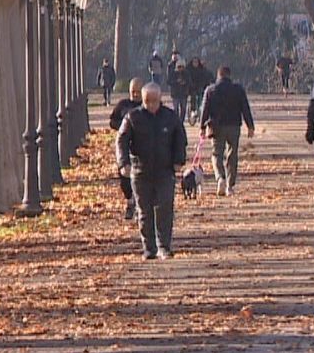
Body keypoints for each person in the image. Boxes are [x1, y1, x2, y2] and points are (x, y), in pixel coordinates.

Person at [117, 82, 187, 259]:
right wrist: (123, 163)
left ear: (160, 99)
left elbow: (180, 139)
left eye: (155, 101)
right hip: (141, 171)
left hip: (165, 171)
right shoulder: (133, 117)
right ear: (143, 99)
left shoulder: (170, 117)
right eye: (148, 101)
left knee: (164, 209)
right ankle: (149, 248)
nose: (151, 105)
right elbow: (121, 140)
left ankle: (164, 245)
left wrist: (179, 160)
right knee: (144, 210)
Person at [199, 65, 256, 196]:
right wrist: (250, 126)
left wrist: (202, 127)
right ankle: (230, 186)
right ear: (230, 76)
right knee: (232, 155)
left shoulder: (210, 90)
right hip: (234, 126)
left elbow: (205, 110)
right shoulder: (238, 89)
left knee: (216, 154)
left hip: (216, 127)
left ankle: (220, 178)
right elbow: (245, 108)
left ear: (218, 75)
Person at [108, 77, 145, 220]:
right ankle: (129, 200)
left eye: (138, 92)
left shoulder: (147, 105)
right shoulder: (123, 105)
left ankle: (138, 206)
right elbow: (112, 121)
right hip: (125, 146)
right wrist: (123, 127)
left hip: (141, 148)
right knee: (124, 177)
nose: (135, 95)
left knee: (141, 178)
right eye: (133, 92)